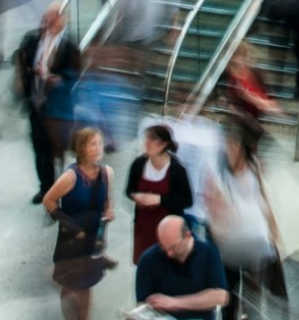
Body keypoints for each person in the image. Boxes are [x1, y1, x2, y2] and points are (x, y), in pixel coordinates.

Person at [207, 126, 287, 320]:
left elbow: (263, 197)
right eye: (227, 145)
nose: (230, 149)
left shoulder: (253, 167)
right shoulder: (218, 173)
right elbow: (213, 207)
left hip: (255, 240)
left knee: (256, 290)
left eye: (234, 144)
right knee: (230, 294)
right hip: (230, 244)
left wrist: (274, 230)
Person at [44, 127, 116, 320]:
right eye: (93, 144)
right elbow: (48, 200)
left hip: (93, 239)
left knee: (87, 284)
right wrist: (70, 224)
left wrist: (109, 210)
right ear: (82, 148)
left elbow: (107, 200)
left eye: (100, 143)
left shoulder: (107, 173)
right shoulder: (71, 176)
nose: (98, 148)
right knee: (70, 286)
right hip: (71, 241)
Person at [16, 4, 80, 204]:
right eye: (48, 15)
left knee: (55, 151)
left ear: (64, 20)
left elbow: (76, 76)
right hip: (36, 104)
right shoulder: (33, 40)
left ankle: (57, 189)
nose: (50, 20)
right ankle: (44, 187)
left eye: (55, 16)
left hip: (56, 110)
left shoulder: (69, 47)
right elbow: (20, 60)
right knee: (39, 148)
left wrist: (58, 80)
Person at [136, 215, 229, 319]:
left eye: (173, 247)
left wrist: (174, 303)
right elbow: (142, 304)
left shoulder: (207, 251)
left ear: (187, 235)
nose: (169, 253)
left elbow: (221, 296)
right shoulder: (148, 259)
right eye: (163, 247)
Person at [126, 125, 193, 264]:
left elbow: (187, 200)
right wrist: (135, 196)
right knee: (145, 263)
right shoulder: (139, 164)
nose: (147, 142)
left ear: (163, 144)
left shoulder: (177, 170)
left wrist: (160, 200)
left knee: (165, 264)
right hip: (144, 226)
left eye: (152, 139)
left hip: (168, 230)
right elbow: (129, 190)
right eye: (146, 138)